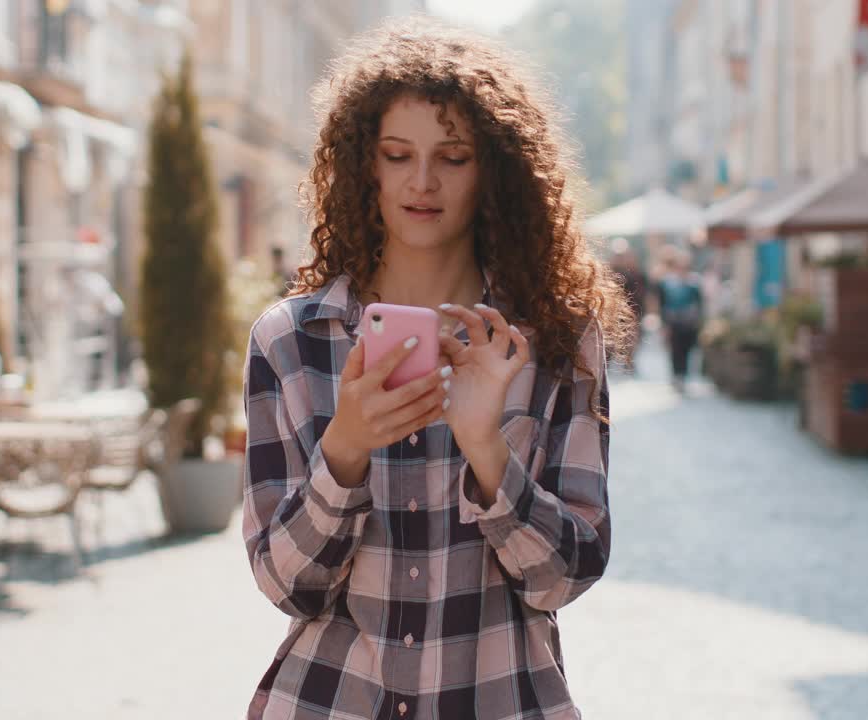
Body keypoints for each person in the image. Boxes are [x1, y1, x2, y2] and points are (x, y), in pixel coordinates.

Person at [241, 18, 631, 720]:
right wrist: (346, 452)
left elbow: (564, 577)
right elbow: (286, 588)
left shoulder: (557, 339)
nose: (422, 182)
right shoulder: (288, 342)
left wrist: (488, 454)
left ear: (495, 171)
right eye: (397, 154)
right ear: (367, 164)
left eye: (453, 157)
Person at [654, 247, 703, 394]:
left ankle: (683, 375)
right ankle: (676, 375)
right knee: (675, 350)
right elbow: (662, 304)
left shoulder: (694, 283)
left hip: (689, 323)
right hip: (673, 322)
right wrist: (663, 324)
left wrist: (697, 320)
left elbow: (699, 304)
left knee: (687, 350)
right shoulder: (667, 283)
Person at [609, 239, 647, 371]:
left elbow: (643, 294)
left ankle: (629, 362)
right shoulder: (608, 273)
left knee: (631, 338)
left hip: (633, 310)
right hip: (612, 311)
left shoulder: (636, 274)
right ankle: (611, 362)